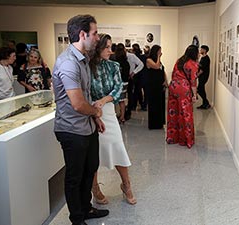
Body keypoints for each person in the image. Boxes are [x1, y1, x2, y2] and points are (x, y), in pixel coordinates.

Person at [52, 14, 109, 225]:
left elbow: (85, 95)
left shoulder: (83, 59)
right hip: (71, 130)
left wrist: (95, 120)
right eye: (95, 33)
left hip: (86, 126)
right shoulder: (68, 63)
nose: (97, 37)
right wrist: (95, 113)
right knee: (75, 176)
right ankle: (77, 218)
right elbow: (77, 103)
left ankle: (86, 209)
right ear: (82, 34)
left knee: (90, 167)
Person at [89, 33, 137, 206]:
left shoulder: (114, 66)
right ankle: (95, 189)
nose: (111, 51)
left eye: (111, 47)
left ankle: (126, 185)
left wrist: (104, 101)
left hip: (107, 112)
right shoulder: (86, 67)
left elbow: (118, 89)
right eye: (107, 47)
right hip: (90, 113)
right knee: (93, 154)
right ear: (97, 48)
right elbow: (83, 91)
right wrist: (93, 109)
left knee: (118, 147)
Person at [166, 45, 199, 148]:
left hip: (173, 86)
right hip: (183, 89)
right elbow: (193, 81)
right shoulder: (193, 64)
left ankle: (173, 138)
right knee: (186, 114)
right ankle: (186, 140)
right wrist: (195, 95)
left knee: (173, 113)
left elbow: (173, 74)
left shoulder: (179, 60)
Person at [146, 44, 167, 129]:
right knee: (154, 104)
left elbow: (162, 70)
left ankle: (160, 122)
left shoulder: (159, 61)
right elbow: (156, 66)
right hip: (153, 86)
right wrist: (159, 57)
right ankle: (154, 124)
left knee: (160, 104)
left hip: (160, 85)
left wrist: (165, 80)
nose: (161, 53)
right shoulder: (148, 60)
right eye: (159, 51)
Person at [124, 44, 144, 120]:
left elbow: (141, 64)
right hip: (123, 77)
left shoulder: (131, 56)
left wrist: (134, 72)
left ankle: (129, 110)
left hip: (129, 77)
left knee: (130, 94)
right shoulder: (119, 56)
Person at [113, 43, 130, 123]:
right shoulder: (126, 62)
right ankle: (122, 117)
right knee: (122, 100)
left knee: (113, 100)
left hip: (116, 83)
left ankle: (114, 116)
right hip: (124, 83)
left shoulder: (114, 61)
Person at [131, 43, 147, 111]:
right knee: (145, 92)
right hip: (144, 76)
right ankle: (143, 105)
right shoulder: (144, 57)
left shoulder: (134, 57)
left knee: (137, 91)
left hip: (137, 76)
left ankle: (134, 105)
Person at [197, 45, 211, 109]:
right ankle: (205, 103)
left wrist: (196, 75)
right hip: (201, 76)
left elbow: (202, 70)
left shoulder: (206, 58)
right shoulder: (203, 58)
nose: (200, 50)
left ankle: (206, 103)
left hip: (204, 76)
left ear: (205, 50)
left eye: (201, 49)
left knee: (199, 89)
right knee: (201, 89)